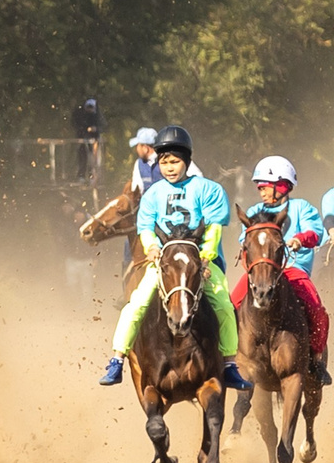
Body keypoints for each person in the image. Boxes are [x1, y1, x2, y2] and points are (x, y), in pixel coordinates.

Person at [98, 127, 249, 388]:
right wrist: (151, 248)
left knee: (225, 306)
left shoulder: (208, 190)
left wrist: (206, 256)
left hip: (199, 263)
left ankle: (229, 364)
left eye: (175, 162)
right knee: (135, 305)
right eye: (164, 162)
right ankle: (117, 359)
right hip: (164, 264)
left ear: (187, 162)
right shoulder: (153, 194)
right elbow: (145, 227)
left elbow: (213, 228)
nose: (169, 168)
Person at [233, 155, 330, 385]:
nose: (262, 193)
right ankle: (228, 358)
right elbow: (243, 237)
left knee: (315, 306)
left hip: (293, 270)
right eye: (260, 188)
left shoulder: (301, 207)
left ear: (283, 186)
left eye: (266, 188)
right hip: (259, 272)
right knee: (231, 303)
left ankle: (316, 359)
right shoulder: (255, 210)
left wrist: (299, 238)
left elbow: (315, 232)